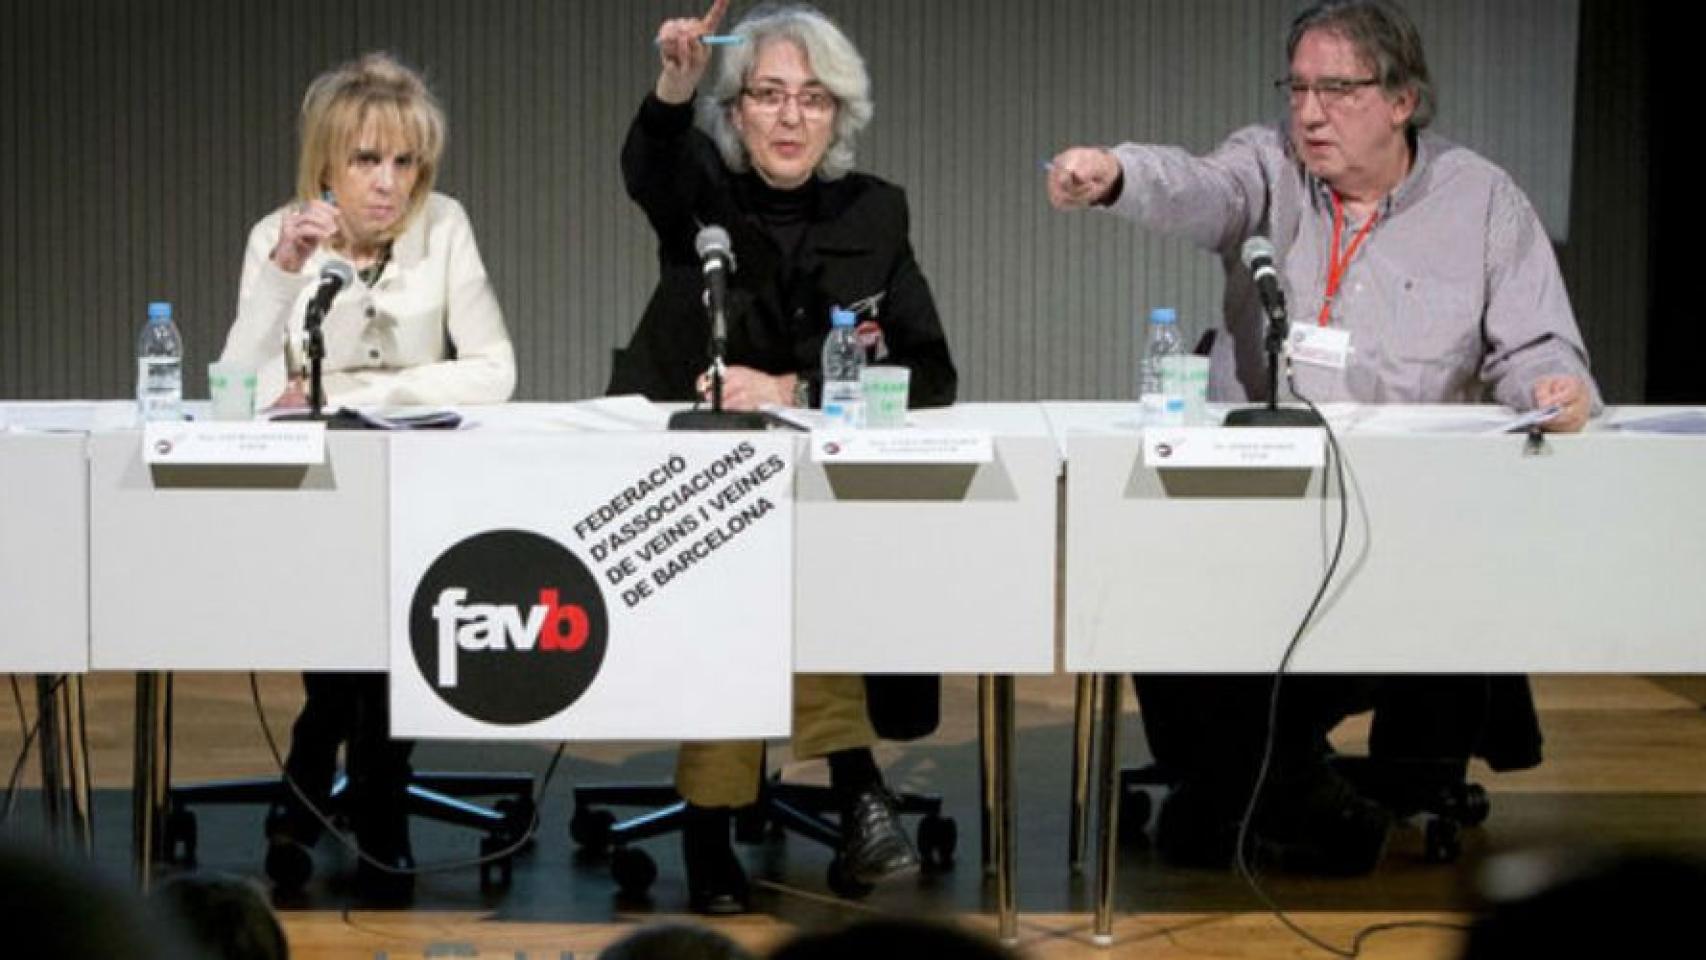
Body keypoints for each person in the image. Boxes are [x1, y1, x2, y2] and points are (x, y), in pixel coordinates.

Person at [1047, 0, 1599, 872]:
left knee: (1358, 623)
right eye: (1298, 87)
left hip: (1403, 517)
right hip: (1254, 502)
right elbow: (1200, 186)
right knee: (1153, 583)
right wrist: (1116, 173)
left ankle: (1242, 791)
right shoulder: (1269, 165)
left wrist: (1555, 388)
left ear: (1402, 99)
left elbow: (1536, 345)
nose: (1308, 112)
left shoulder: (1482, 201)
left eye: (1337, 90)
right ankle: (1293, 795)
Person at [610, 0, 957, 914]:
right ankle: (847, 793)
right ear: (736, 112)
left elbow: (931, 372)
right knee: (747, 579)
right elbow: (649, 166)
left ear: (839, 115)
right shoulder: (702, 195)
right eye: (769, 95)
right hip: (688, 488)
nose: (792, 116)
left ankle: (723, 816)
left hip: (816, 503)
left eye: (814, 98)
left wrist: (797, 391)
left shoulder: (875, 212)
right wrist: (674, 85)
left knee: (794, 568)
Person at [220, 52, 517, 902]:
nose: (388, 184)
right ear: (325, 164)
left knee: (381, 653)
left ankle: (304, 810)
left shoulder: (444, 226)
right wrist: (282, 273)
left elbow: (494, 369)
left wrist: (353, 393)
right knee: (353, 659)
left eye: (405, 162)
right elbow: (236, 391)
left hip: (426, 492)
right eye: (365, 160)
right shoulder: (280, 238)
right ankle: (377, 814)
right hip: (316, 504)